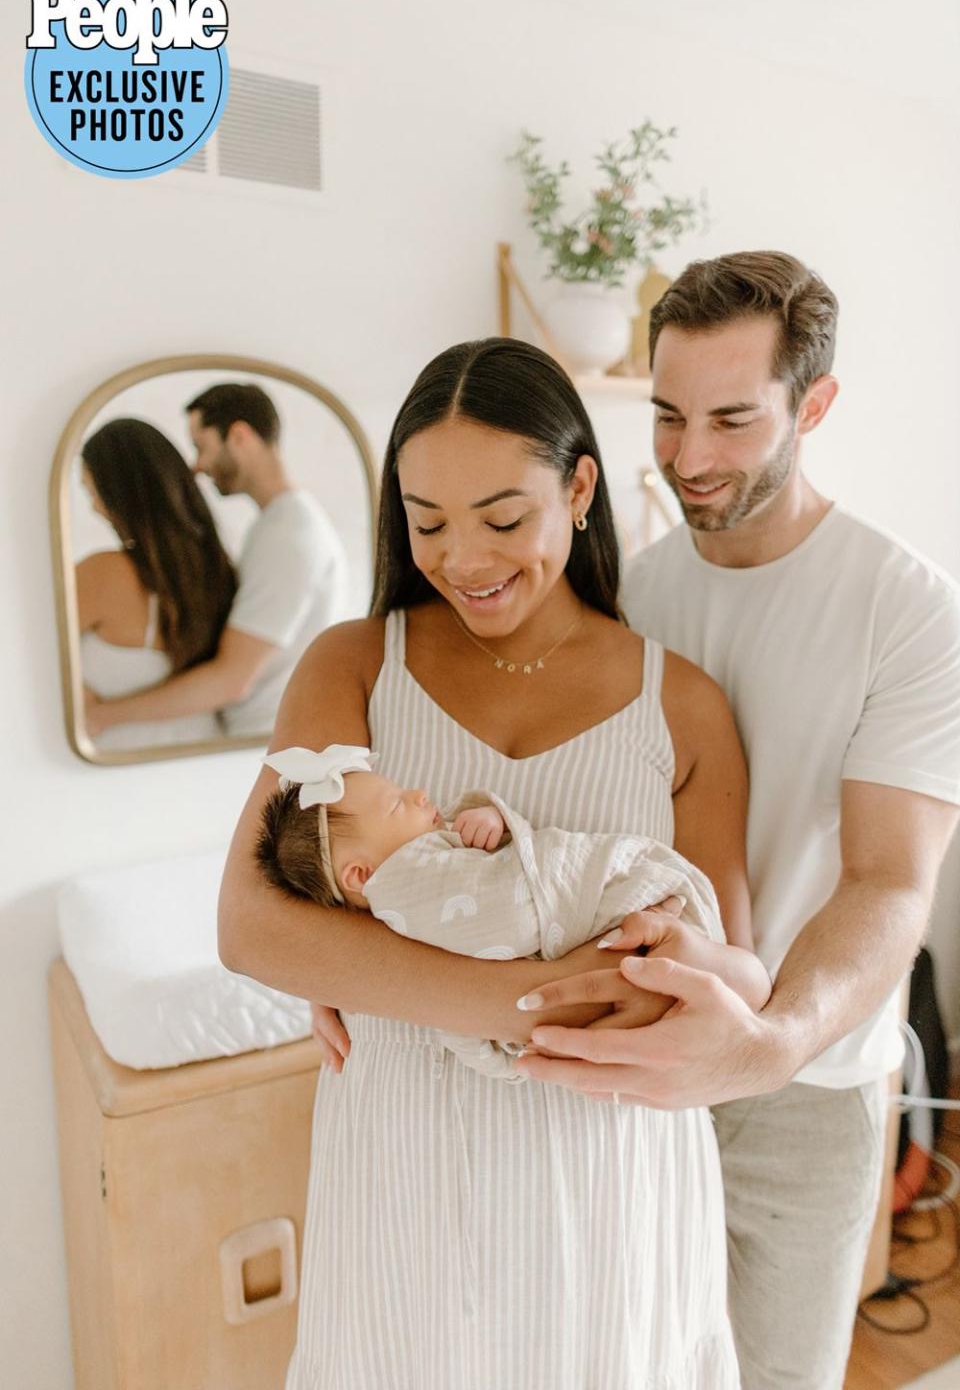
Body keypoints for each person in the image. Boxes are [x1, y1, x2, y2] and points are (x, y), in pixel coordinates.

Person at [218, 337, 753, 1388]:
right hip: (407, 1169)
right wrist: (528, 1000)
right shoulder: (356, 665)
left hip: (610, 1178)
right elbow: (250, 924)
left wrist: (376, 972)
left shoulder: (680, 704)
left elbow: (732, 971)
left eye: (505, 520)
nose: (465, 559)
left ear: (581, 487)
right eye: (427, 524)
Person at [513, 252, 960, 1390]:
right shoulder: (629, 592)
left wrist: (771, 1041)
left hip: (805, 1087)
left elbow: (889, 881)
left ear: (814, 406)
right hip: (631, 1059)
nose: (689, 458)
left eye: (731, 418)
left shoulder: (905, 609)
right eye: (666, 415)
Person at [255, 742, 769, 1079]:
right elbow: (508, 911)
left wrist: (491, 822)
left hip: (643, 935)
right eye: (395, 806)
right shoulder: (405, 888)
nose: (417, 795)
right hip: (609, 924)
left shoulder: (432, 861)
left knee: (734, 986)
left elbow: (481, 872)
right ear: (362, 878)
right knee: (732, 984)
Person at [86, 382, 351, 741]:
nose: (196, 465)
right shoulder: (274, 527)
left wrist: (102, 715)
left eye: (201, 446)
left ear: (239, 436)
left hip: (266, 742)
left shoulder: (290, 534)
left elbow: (233, 679)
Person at [79, 418, 236, 749]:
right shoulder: (220, 571)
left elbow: (26, 659)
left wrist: (90, 708)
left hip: (115, 774)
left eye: (92, 491)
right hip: (203, 761)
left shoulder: (105, 573)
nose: (94, 507)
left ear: (118, 492)